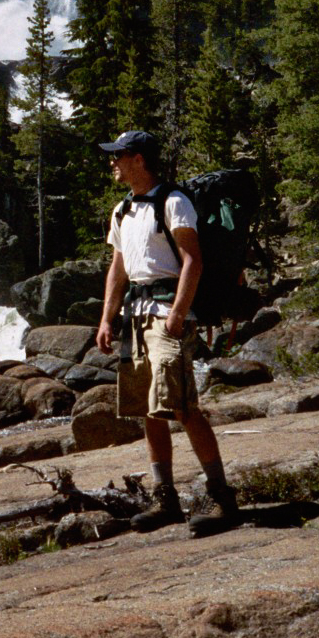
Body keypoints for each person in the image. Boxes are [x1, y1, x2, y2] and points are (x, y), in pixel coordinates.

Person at [93, 130, 240, 535]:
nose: (113, 163)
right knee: (147, 410)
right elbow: (118, 269)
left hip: (166, 316)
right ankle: (166, 499)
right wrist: (107, 319)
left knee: (181, 407)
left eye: (118, 156)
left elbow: (193, 259)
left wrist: (178, 312)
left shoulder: (173, 202)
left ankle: (222, 499)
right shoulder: (122, 210)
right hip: (135, 316)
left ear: (138, 160)